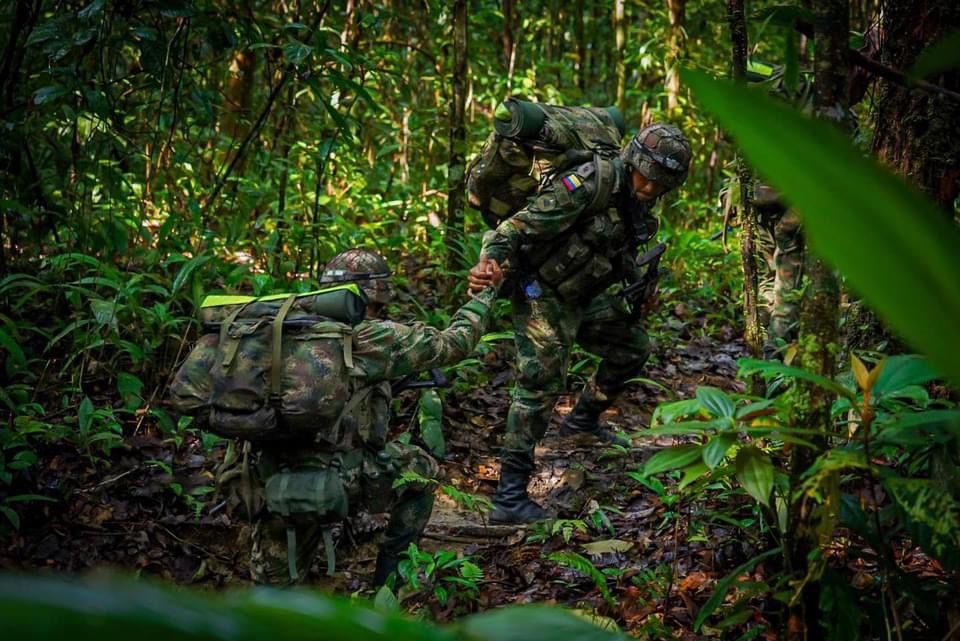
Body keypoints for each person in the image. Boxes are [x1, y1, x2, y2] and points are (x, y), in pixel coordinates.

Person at [181, 249, 503, 587]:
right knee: (421, 474)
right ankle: (389, 586)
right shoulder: (370, 336)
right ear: (377, 294)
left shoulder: (276, 330)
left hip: (261, 479)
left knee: (275, 591)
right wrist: (486, 291)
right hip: (334, 478)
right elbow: (457, 341)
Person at [467, 124, 691, 524]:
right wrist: (489, 262)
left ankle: (582, 420)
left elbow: (611, 247)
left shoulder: (636, 201)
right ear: (634, 163)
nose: (652, 190)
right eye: (649, 179)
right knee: (540, 384)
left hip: (582, 294)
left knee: (632, 346)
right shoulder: (588, 184)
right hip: (542, 290)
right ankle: (510, 496)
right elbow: (514, 229)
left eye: (662, 185)